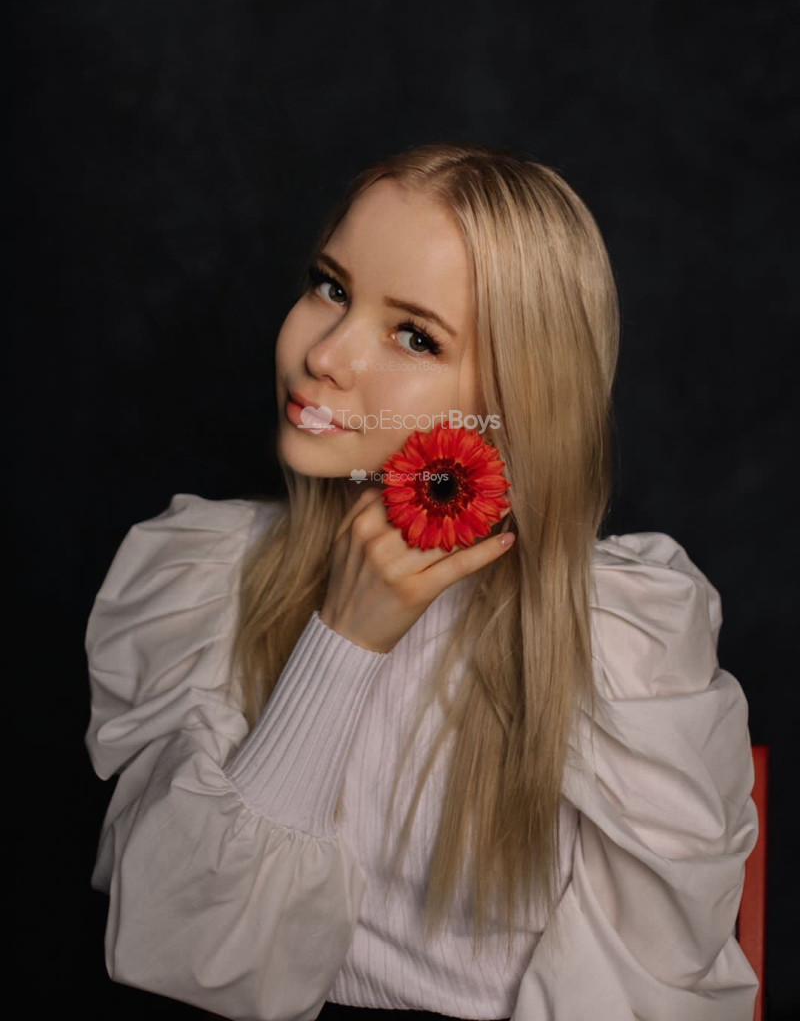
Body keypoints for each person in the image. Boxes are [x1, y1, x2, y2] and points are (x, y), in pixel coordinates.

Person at [84, 142, 759, 1021]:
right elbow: (190, 956)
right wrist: (341, 642)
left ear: (518, 396)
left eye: (414, 335)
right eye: (331, 286)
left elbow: (646, 992)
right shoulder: (204, 579)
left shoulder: (617, 638)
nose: (327, 354)